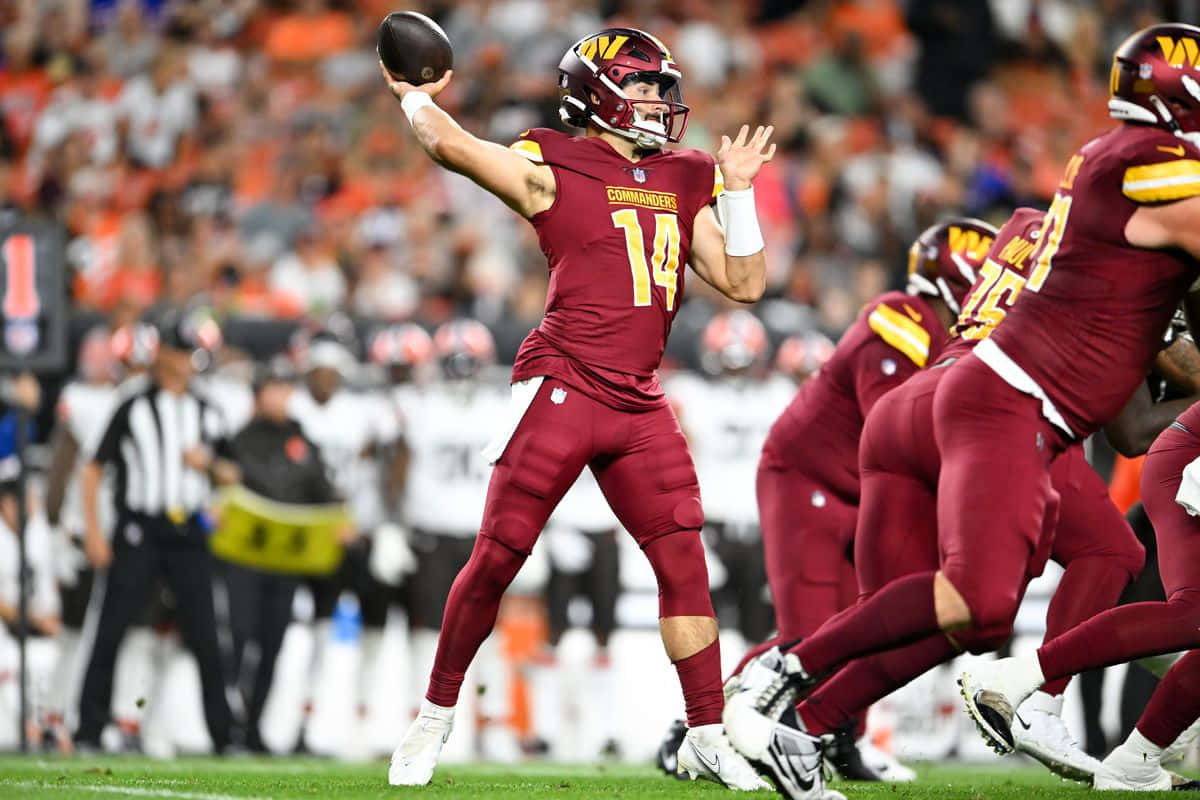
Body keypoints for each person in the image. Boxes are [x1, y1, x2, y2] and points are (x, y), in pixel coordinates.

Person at [730, 23, 1200, 793]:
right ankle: (787, 673)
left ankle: (804, 727)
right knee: (978, 598)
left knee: (976, 614)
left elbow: (1125, 421)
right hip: (1005, 400)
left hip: (1002, 399)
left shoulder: (1116, 165)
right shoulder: (1148, 163)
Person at [382, 25, 777, 790]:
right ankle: (433, 717)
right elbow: (453, 148)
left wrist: (740, 191)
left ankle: (704, 732)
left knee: (684, 563)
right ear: (596, 94)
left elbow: (745, 283)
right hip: (563, 381)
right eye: (644, 86)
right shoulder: (551, 159)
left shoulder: (684, 174)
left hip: (639, 399)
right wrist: (415, 102)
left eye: (663, 87)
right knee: (499, 554)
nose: (660, 101)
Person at [724, 219, 995, 785]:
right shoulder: (900, 320)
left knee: (866, 623)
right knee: (811, 635)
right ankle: (702, 726)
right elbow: (891, 425)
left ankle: (841, 737)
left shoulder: (946, 337)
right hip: (808, 480)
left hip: (865, 491)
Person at [74, 311, 238, 753]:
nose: (186, 361)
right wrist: (94, 531)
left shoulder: (207, 410)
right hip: (139, 530)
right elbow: (92, 468)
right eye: (180, 351)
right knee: (112, 627)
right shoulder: (132, 404)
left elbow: (232, 472)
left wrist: (211, 467)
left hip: (189, 532)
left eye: (191, 353)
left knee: (206, 632)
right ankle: (88, 728)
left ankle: (224, 734)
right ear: (162, 352)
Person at [219, 361, 338, 753]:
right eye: (273, 388)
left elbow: (323, 490)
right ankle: (227, 722)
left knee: (272, 643)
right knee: (238, 636)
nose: (280, 396)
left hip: (286, 558)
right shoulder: (239, 440)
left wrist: (341, 517)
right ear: (258, 394)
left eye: (286, 388)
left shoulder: (301, 439)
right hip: (245, 555)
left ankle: (253, 728)